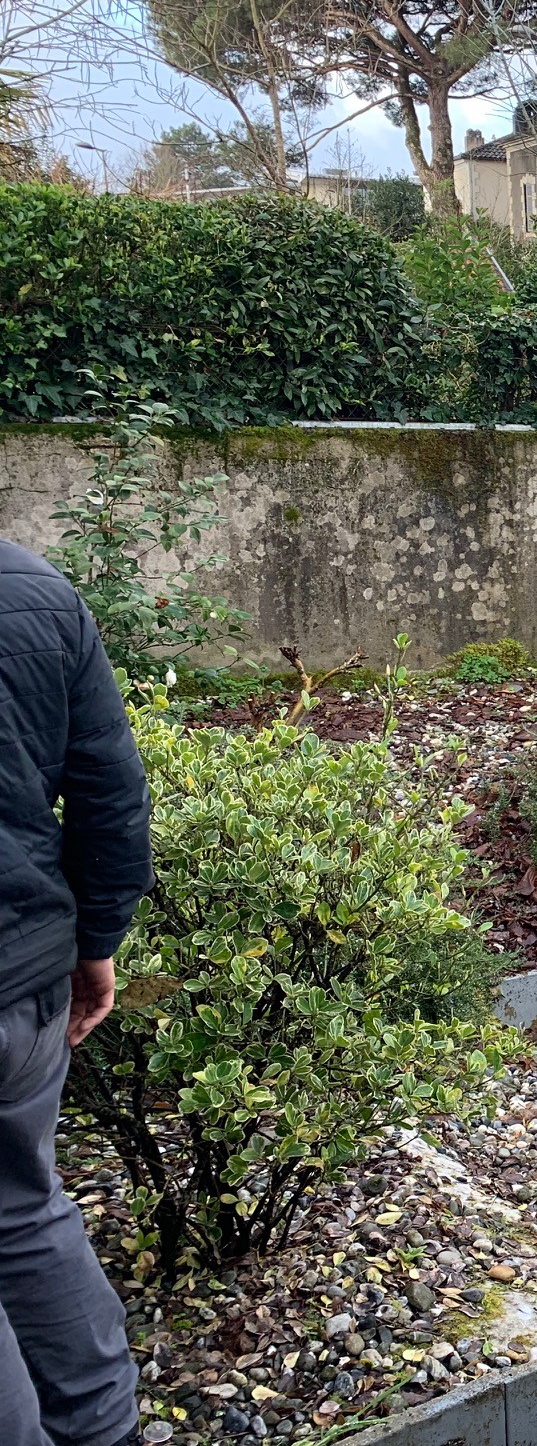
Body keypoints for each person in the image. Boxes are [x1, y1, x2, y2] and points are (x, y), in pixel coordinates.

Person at [0, 538, 153, 1446]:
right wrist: (97, 941)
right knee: (22, 1206)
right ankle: (106, 1429)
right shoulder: (34, 587)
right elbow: (110, 791)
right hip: (25, 980)